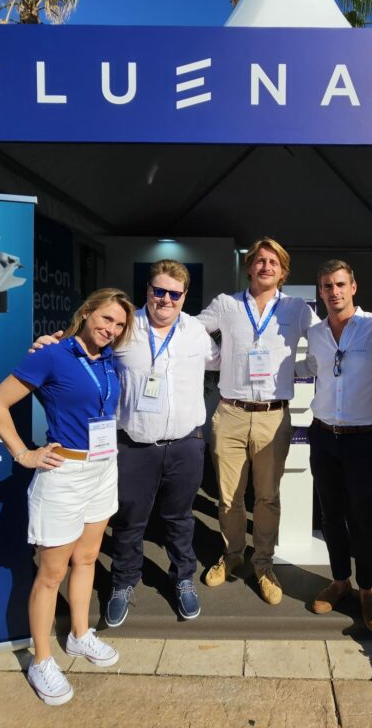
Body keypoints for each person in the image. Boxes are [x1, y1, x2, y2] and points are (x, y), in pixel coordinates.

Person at [0, 288, 134, 707]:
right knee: (50, 573)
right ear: (86, 313)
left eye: (119, 324)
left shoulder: (108, 360)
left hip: (104, 468)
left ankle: (80, 634)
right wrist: (23, 453)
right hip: (64, 472)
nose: (110, 329)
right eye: (105, 319)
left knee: (87, 559)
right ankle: (42, 660)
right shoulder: (50, 354)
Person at [198, 236, 320, 604]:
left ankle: (263, 564)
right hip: (230, 412)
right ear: (249, 266)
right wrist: (218, 360)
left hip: (273, 416)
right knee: (229, 497)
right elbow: (188, 333)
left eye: (274, 262)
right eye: (260, 261)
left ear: (283, 272)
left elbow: (325, 342)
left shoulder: (297, 308)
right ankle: (233, 555)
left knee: (267, 498)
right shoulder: (226, 304)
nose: (266, 267)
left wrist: (295, 369)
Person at [104, 260, 220, 627]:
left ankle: (183, 576)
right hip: (135, 444)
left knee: (180, 518)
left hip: (186, 444)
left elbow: (222, 362)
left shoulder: (196, 332)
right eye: (159, 291)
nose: (165, 299)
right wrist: (52, 344)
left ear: (185, 296)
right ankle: (123, 581)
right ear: (148, 291)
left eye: (174, 293)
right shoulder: (125, 328)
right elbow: (87, 350)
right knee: (129, 520)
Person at [298, 259, 372, 632]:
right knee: (330, 513)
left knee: (365, 517)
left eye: (339, 285)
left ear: (353, 287)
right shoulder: (316, 334)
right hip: (324, 435)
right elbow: (312, 369)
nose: (333, 292)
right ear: (320, 292)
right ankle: (339, 580)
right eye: (326, 287)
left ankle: (367, 589)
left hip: (364, 437)